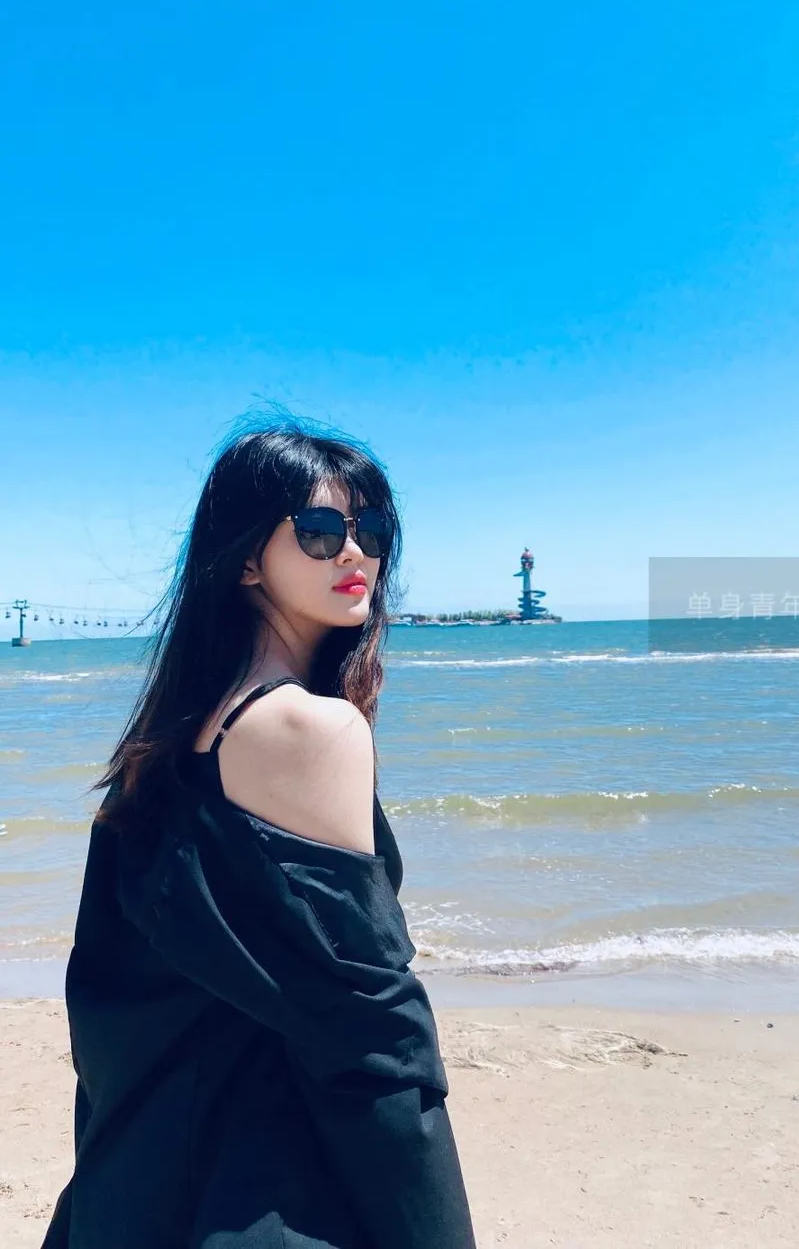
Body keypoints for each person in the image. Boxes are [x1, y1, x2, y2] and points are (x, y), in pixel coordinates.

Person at [41, 423, 478, 1249]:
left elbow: (107, 1004)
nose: (356, 553)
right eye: (319, 531)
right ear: (246, 559)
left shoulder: (164, 745)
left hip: (142, 1177)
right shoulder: (313, 729)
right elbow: (374, 1029)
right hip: (267, 1191)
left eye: (372, 529)